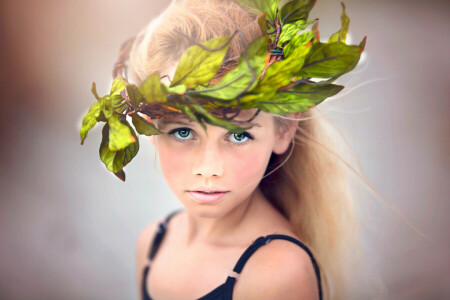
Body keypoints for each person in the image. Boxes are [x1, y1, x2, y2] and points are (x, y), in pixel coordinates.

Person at [80, 0, 382, 299]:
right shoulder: (152, 246)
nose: (209, 167)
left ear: (285, 128)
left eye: (238, 135)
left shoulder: (277, 274)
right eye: (183, 132)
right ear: (149, 128)